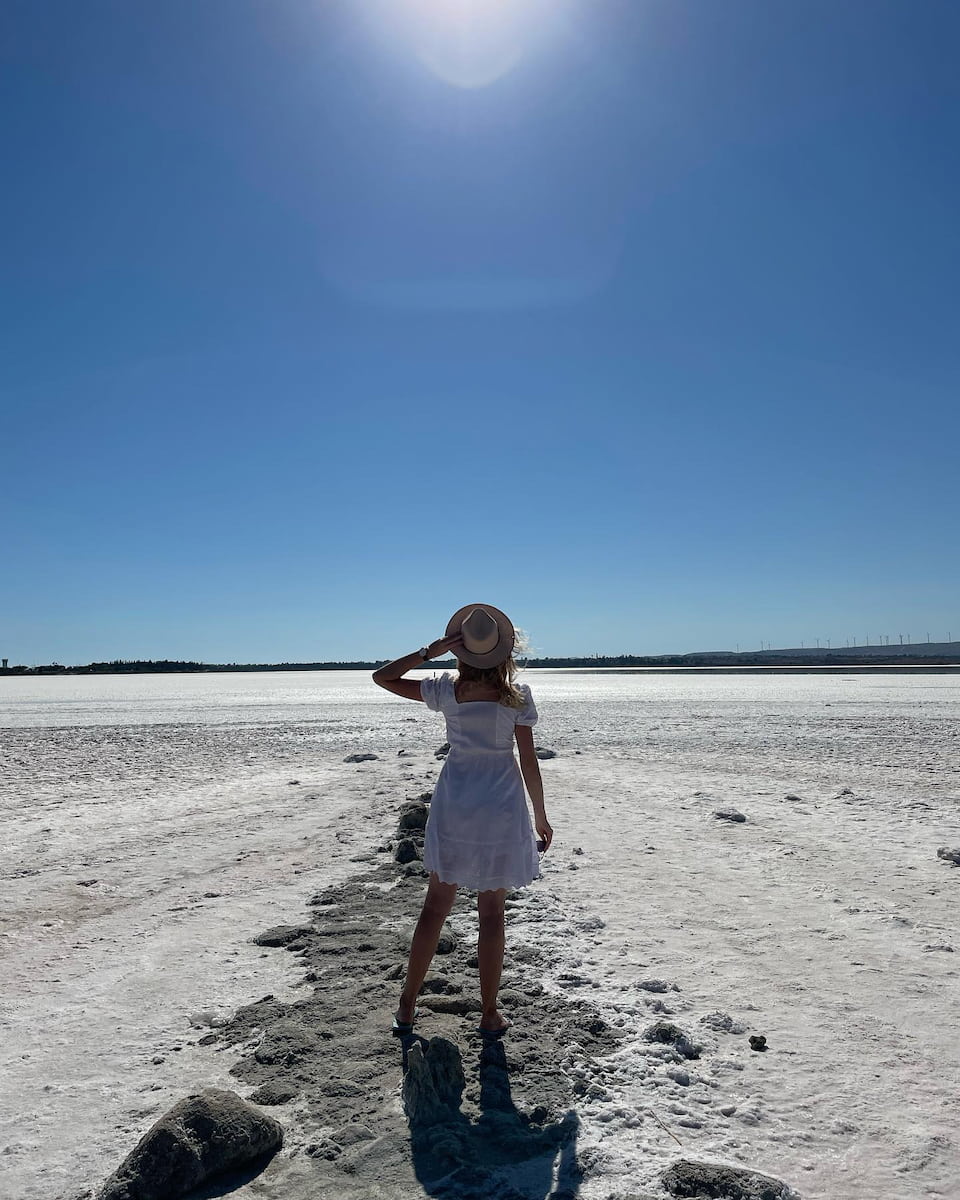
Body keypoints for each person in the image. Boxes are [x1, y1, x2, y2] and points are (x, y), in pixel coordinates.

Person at [372, 603, 553, 1037]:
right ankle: (489, 1013)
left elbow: (383, 677)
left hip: (456, 800)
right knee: (491, 913)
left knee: (435, 906)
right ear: (504, 651)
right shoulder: (516, 696)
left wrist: (427, 651)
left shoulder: (445, 689)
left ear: (460, 650)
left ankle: (407, 1005)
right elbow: (528, 760)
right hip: (501, 805)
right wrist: (541, 817)